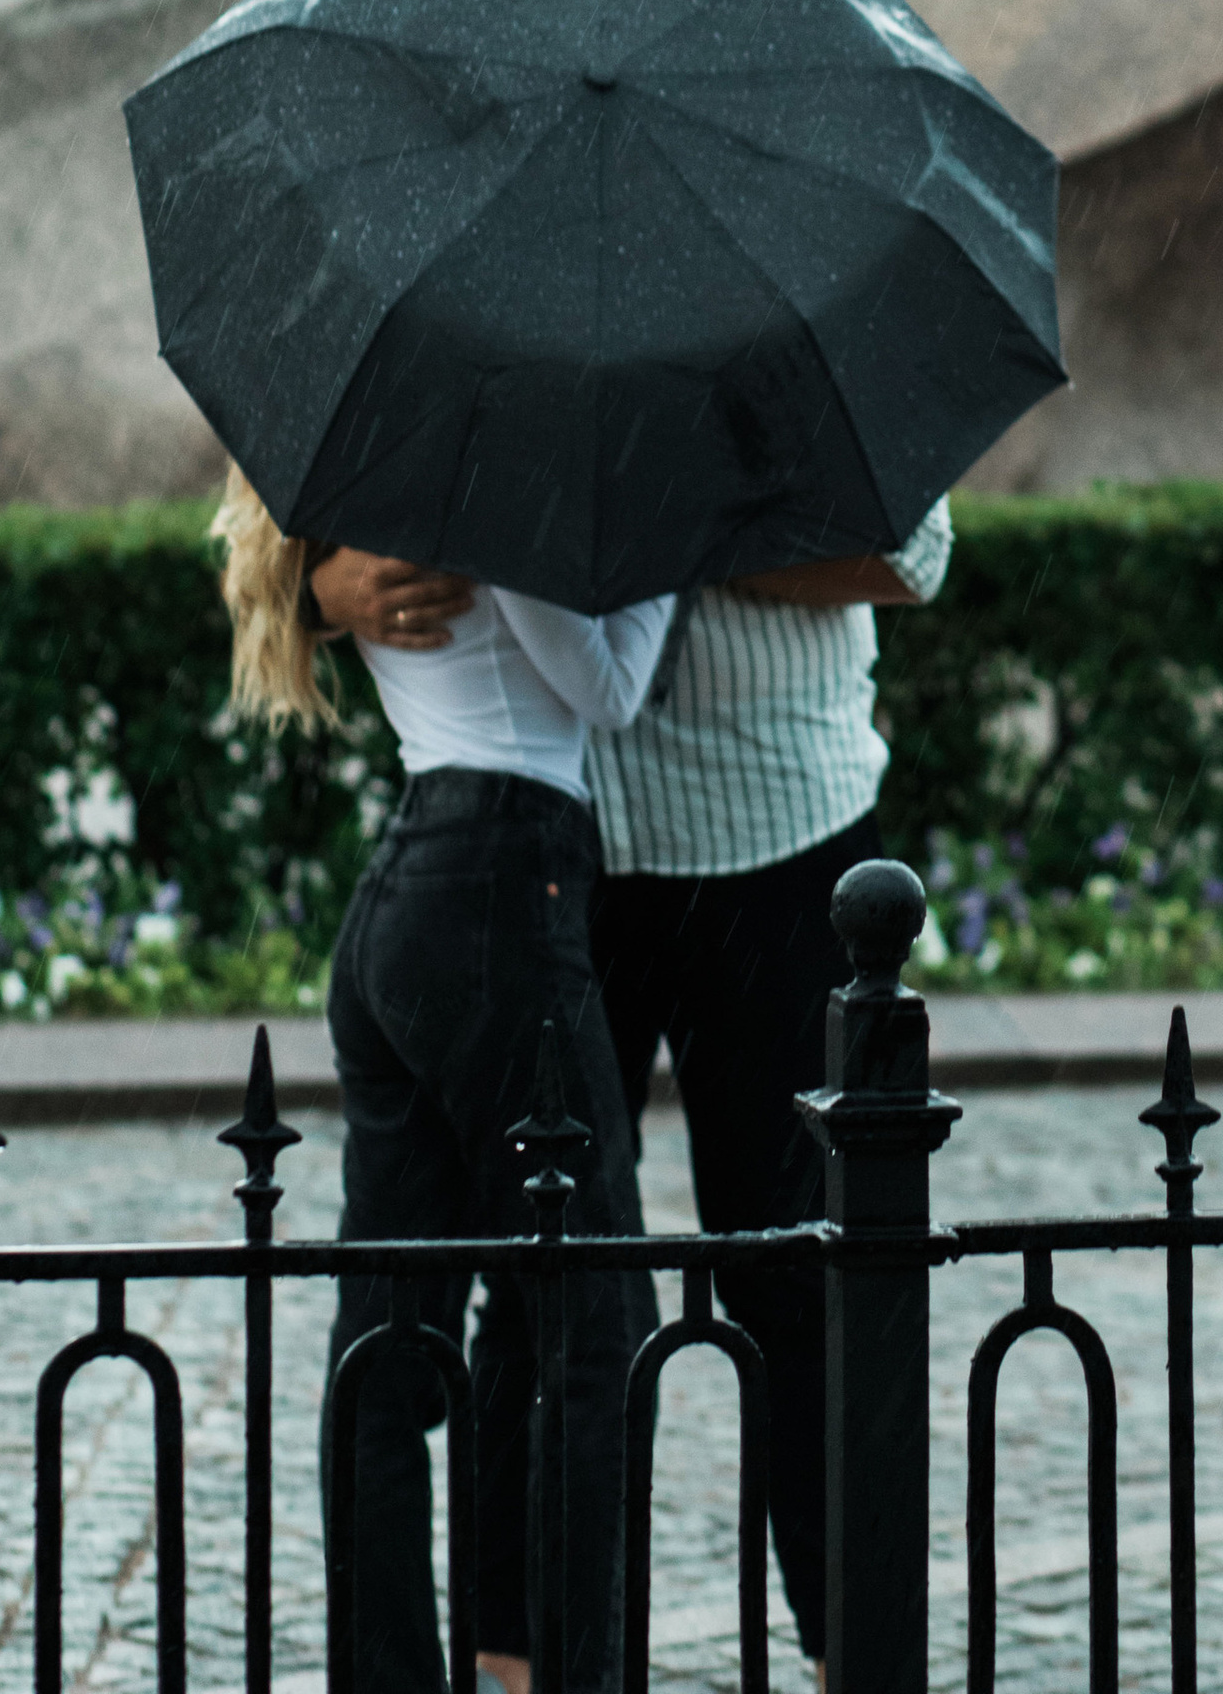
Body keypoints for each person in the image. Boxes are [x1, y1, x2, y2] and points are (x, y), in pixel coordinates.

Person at [313, 499, 954, 1680]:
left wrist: (668, 526)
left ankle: (848, 1655)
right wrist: (318, 590)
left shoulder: (790, 324)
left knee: (799, 1272)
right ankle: (521, 1661)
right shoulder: (535, 322)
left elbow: (909, 556)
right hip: (565, 865)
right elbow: (343, 493)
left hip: (782, 837)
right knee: (544, 1282)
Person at [217, 469, 672, 1694]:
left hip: (414, 893)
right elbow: (608, 687)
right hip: (499, 897)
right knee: (600, 1325)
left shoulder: (395, 457)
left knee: (388, 1341)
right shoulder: (498, 474)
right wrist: (665, 551)